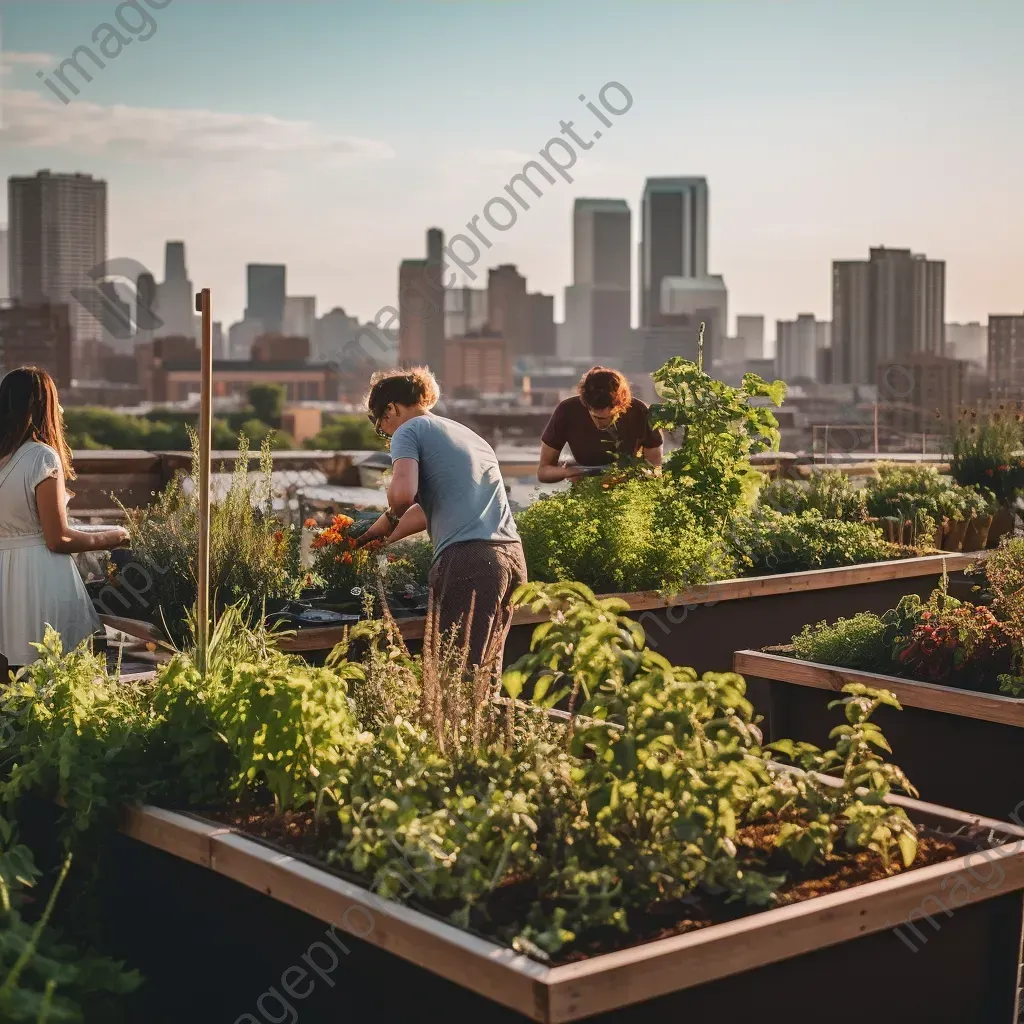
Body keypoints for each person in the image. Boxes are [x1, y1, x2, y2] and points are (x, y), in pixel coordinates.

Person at [356, 367, 526, 670]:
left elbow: (402, 498)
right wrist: (382, 538)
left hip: (471, 560)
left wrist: (391, 511)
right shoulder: (467, 435)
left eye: (381, 425)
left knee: (454, 675)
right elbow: (426, 508)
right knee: (485, 674)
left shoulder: (409, 430)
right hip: (510, 558)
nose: (386, 433)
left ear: (391, 408)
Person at [0, 367, 129, 674]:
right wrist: (114, 535)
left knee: (8, 690)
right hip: (40, 581)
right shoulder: (41, 458)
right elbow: (58, 539)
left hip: (4, 576)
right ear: (44, 406)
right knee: (55, 684)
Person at [537, 366, 663, 482]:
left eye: (608, 418)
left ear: (620, 406)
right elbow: (543, 472)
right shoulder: (567, 410)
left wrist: (624, 477)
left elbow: (655, 472)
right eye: (595, 417)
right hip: (585, 490)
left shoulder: (640, 412)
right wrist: (567, 472)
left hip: (629, 492)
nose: (600, 424)